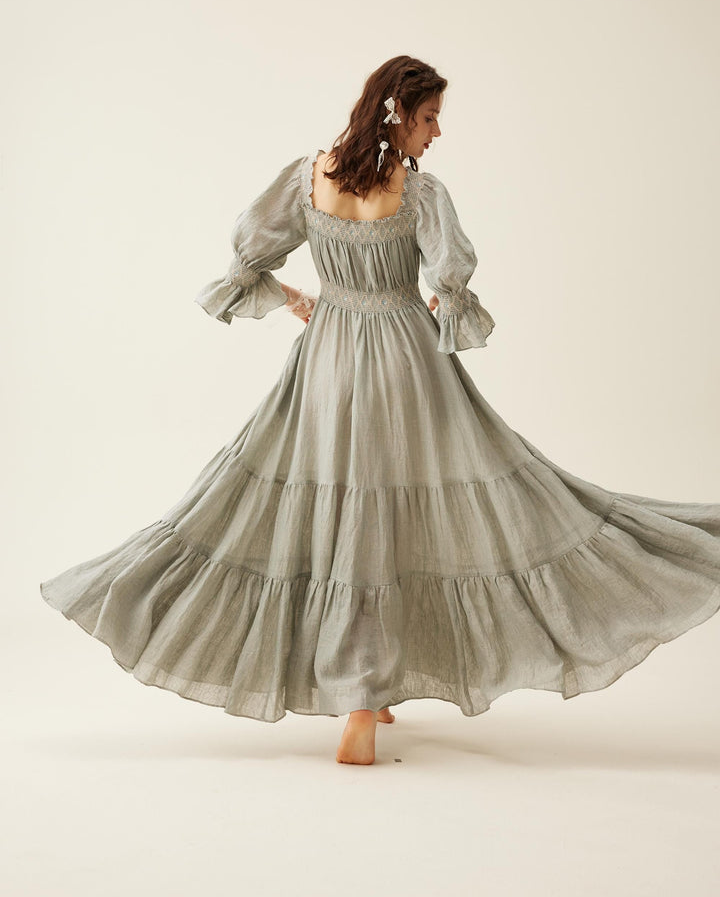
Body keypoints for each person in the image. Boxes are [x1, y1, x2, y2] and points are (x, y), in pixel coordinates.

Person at [40, 54, 720, 767]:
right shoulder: (419, 194)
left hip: (327, 361)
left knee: (345, 509)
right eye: (430, 118)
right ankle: (362, 704)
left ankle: (368, 686)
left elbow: (247, 261)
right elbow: (450, 285)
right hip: (407, 364)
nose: (436, 133)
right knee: (421, 503)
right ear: (397, 114)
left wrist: (302, 300)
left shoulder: (309, 177)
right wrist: (435, 302)